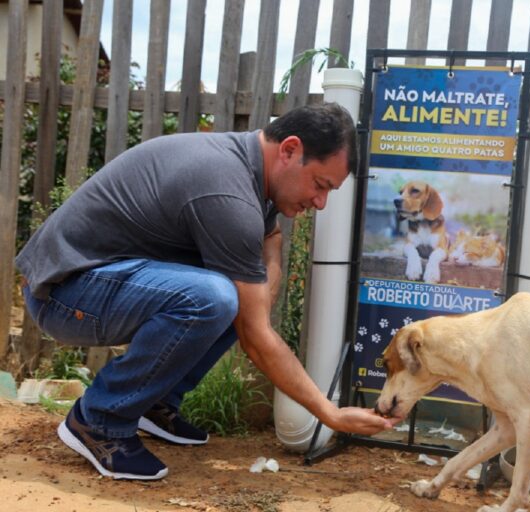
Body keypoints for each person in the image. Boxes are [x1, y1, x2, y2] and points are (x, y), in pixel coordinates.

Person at [15, 103, 395, 480]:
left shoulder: (249, 173)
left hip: (96, 279)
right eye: (320, 184)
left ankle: (153, 401)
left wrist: (269, 259)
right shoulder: (227, 193)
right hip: (64, 292)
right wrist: (330, 414)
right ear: (290, 150)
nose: (320, 202)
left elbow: (265, 263)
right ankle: (100, 419)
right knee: (214, 297)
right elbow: (256, 336)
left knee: (238, 295)